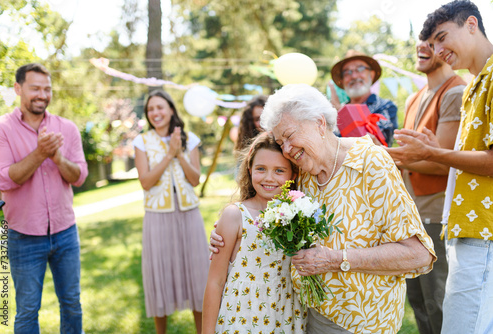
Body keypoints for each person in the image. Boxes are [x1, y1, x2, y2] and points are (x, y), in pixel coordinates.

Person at [210, 83, 436, 334]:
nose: (285, 149)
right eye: (280, 141)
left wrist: (337, 259)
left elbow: (418, 254)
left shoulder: (370, 163)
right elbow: (264, 207)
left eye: (289, 136)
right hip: (306, 316)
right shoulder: (303, 172)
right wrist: (225, 236)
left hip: (362, 323)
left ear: (319, 123)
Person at [386, 1, 493, 333]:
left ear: (472, 24)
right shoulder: (476, 82)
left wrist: (433, 154)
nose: (440, 50)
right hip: (464, 225)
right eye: (433, 45)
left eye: (443, 38)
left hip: (484, 230)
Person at [0, 63, 88, 333]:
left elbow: (79, 176)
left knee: (72, 303)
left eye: (47, 89)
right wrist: (40, 154)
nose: (42, 95)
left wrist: (57, 158)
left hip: (65, 231)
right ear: (18, 88)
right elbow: (2, 179)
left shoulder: (66, 128)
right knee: (26, 310)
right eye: (35, 88)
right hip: (22, 235)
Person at [202, 132, 307, 333]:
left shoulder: (299, 216)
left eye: (279, 170)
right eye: (261, 169)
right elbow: (215, 281)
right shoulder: (235, 215)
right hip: (243, 318)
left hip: (285, 317)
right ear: (249, 169)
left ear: (293, 174)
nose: (269, 178)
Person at [396, 38, 466, 334]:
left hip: (436, 213)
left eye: (432, 41)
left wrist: (385, 155)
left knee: (437, 301)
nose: (421, 47)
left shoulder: (456, 92)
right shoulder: (414, 98)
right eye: (419, 42)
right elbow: (410, 154)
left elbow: (442, 162)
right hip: (409, 213)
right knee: (418, 301)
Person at [133, 89, 209, 334]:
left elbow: (195, 179)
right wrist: (168, 155)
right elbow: (146, 181)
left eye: (160, 107)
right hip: (158, 217)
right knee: (160, 277)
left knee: (197, 277)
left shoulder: (191, 139)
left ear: (171, 110)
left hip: (189, 215)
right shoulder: (141, 142)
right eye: (151, 109)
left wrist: (180, 154)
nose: (156, 113)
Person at [329, 50, 399, 146]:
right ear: (342, 81)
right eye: (347, 72)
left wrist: (341, 112)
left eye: (360, 69)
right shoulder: (332, 115)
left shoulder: (385, 106)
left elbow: (373, 144)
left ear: (371, 74)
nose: (353, 76)